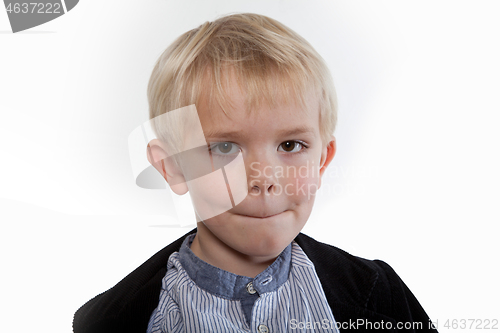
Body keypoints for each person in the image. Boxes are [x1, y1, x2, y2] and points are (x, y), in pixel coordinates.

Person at [73, 13, 437, 333]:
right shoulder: (112, 323)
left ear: (323, 160)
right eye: (224, 148)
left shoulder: (381, 295)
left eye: (291, 146)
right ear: (172, 167)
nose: (264, 178)